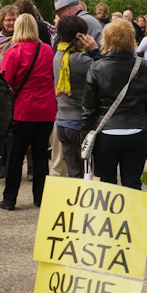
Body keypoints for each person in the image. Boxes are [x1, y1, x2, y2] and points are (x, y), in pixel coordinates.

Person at [82, 19, 147, 190]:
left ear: (107, 40)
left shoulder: (96, 68)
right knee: (133, 183)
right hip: (137, 129)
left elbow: (89, 108)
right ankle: (132, 217)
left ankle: (109, 218)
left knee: (106, 186)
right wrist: (142, 117)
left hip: (106, 131)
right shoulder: (145, 67)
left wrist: (85, 134)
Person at [0, 14, 57, 210]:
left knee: (16, 157)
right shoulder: (48, 50)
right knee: (41, 154)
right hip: (46, 109)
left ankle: (10, 198)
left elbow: (5, 84)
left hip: (23, 110)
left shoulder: (14, 51)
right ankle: (41, 197)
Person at [53, 16, 101, 177]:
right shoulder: (79, 59)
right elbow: (103, 73)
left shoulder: (58, 55)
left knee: (74, 172)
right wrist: (95, 50)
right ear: (80, 36)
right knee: (89, 171)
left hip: (62, 121)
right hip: (79, 121)